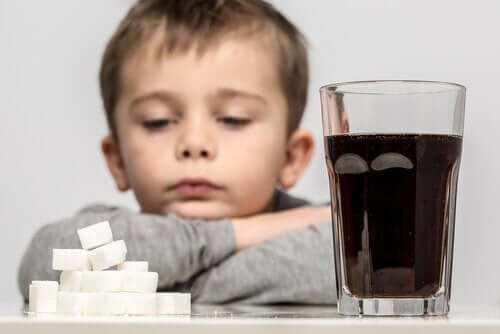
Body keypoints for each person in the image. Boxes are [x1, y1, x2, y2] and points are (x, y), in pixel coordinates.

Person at [18, 0, 336, 305]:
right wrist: (239, 234)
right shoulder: (108, 230)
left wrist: (144, 281)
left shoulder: (335, 234)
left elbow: (347, 270)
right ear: (117, 160)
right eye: (158, 122)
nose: (194, 143)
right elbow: (45, 260)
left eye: (232, 119)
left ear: (291, 157)